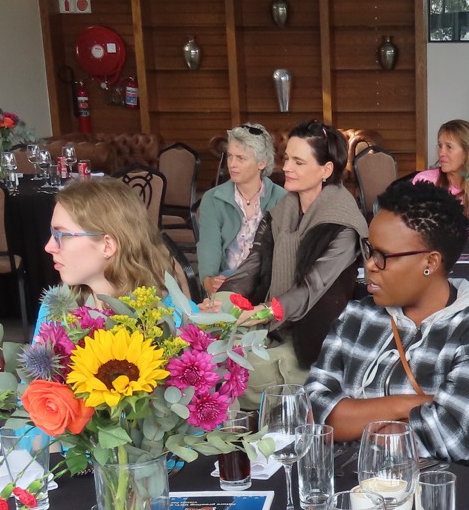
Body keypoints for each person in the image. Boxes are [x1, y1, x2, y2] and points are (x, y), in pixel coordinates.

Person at [305, 180, 469, 470]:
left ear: (430, 262)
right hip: (352, 486)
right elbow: (313, 411)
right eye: (369, 250)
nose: (369, 264)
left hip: (452, 495)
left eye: (383, 256)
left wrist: (353, 418)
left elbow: (448, 437)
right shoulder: (358, 316)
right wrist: (406, 405)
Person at [219, 120, 368, 398]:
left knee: (237, 373)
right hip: (272, 325)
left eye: (298, 162)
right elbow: (254, 263)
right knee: (206, 352)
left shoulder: (343, 224)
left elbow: (311, 287)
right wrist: (222, 299)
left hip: (311, 339)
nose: (286, 167)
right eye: (287, 158)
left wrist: (263, 312)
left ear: (326, 170)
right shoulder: (284, 208)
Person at [33, 177, 182, 335]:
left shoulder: (176, 319)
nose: (48, 247)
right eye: (52, 233)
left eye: (62, 235)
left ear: (107, 246)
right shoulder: (55, 306)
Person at [199, 123, 285, 286]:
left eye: (241, 158)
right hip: (228, 280)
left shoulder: (282, 199)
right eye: (230, 156)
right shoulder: (213, 199)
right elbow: (208, 247)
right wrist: (208, 281)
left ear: (262, 163)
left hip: (267, 284)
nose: (232, 164)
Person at [412, 119, 469, 236]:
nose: (441, 153)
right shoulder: (425, 182)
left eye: (449, 147)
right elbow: (416, 232)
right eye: (440, 146)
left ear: (467, 152)